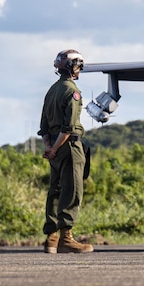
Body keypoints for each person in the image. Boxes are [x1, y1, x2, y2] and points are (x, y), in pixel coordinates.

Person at [39, 49, 93, 254]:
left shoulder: (52, 90)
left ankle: (51, 238)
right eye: (78, 66)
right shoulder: (72, 91)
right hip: (68, 147)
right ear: (73, 67)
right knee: (72, 190)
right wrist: (56, 147)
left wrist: (49, 147)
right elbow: (68, 128)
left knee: (55, 191)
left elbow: (43, 125)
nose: (80, 69)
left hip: (54, 147)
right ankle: (66, 239)